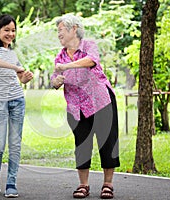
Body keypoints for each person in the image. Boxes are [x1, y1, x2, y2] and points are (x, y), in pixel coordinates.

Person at [51, 14, 120, 199]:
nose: (59, 35)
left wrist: (66, 67)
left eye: (61, 30)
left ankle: (108, 184)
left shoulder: (88, 45)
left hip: (100, 101)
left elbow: (91, 60)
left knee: (107, 141)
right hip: (76, 106)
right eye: (57, 31)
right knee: (82, 144)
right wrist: (56, 80)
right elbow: (54, 80)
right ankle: (83, 185)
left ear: (74, 29)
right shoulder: (60, 55)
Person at [0, 14, 33, 198]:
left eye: (13, 30)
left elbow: (20, 79)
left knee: (15, 144)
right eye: (6, 30)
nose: (10, 34)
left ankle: (11, 183)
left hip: (17, 100)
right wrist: (15, 67)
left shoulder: (13, 54)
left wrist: (25, 76)